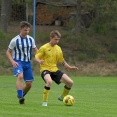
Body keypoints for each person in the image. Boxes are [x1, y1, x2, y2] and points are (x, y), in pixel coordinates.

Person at [35, 30, 78, 106]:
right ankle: (44, 102)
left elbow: (62, 61)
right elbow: (36, 56)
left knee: (70, 82)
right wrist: (39, 61)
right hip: (45, 69)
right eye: (55, 39)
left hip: (54, 70)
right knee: (49, 81)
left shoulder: (58, 49)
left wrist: (70, 67)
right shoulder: (44, 47)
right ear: (51, 38)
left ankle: (62, 97)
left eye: (58, 39)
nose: (57, 41)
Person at [6, 21, 38, 104]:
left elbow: (35, 50)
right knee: (20, 76)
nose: (26, 32)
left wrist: (39, 58)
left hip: (27, 63)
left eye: (28, 30)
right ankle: (20, 96)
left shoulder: (31, 39)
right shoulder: (14, 40)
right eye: (25, 30)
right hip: (18, 62)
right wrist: (12, 62)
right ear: (20, 29)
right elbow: (8, 52)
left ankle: (21, 95)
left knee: (29, 84)